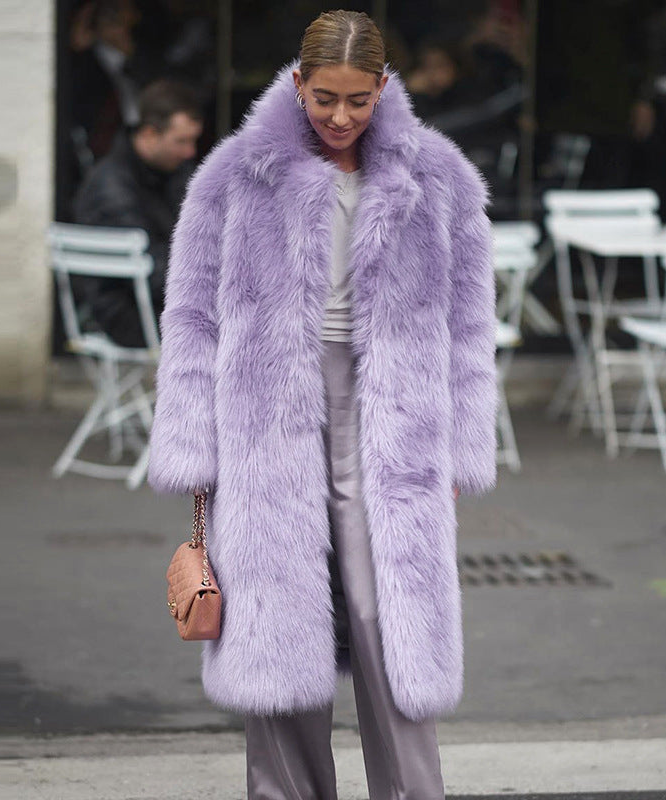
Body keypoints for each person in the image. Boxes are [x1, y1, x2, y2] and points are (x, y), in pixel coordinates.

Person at [148, 10, 497, 799]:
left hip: (392, 417)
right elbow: (193, 321)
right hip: (266, 416)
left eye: (359, 101)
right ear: (298, 83)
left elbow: (471, 330)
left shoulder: (437, 179)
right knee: (276, 626)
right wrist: (194, 450)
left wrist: (460, 451)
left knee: (388, 627)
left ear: (384, 89)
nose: (340, 117)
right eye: (325, 98)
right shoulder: (236, 175)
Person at [72, 79, 204, 347]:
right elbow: (152, 270)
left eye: (193, 141)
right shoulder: (111, 187)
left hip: (162, 301)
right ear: (149, 134)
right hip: (126, 314)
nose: (190, 151)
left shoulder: (174, 171)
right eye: (181, 141)